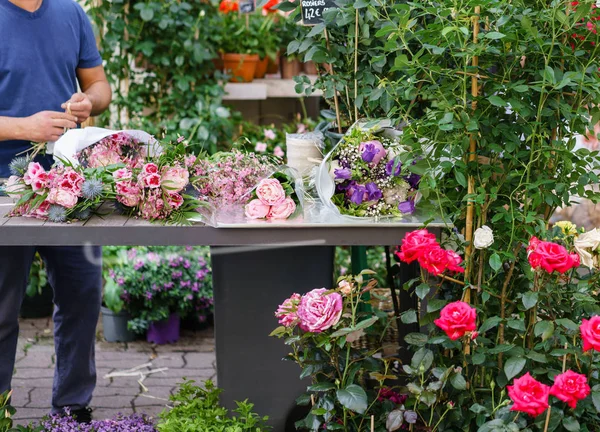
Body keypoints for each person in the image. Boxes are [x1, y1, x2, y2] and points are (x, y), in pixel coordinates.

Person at [0, 0, 112, 423]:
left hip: (72, 185)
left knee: (82, 297)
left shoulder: (71, 13)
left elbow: (100, 86)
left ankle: (71, 407)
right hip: (5, 193)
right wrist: (22, 128)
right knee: (1, 308)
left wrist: (88, 102)